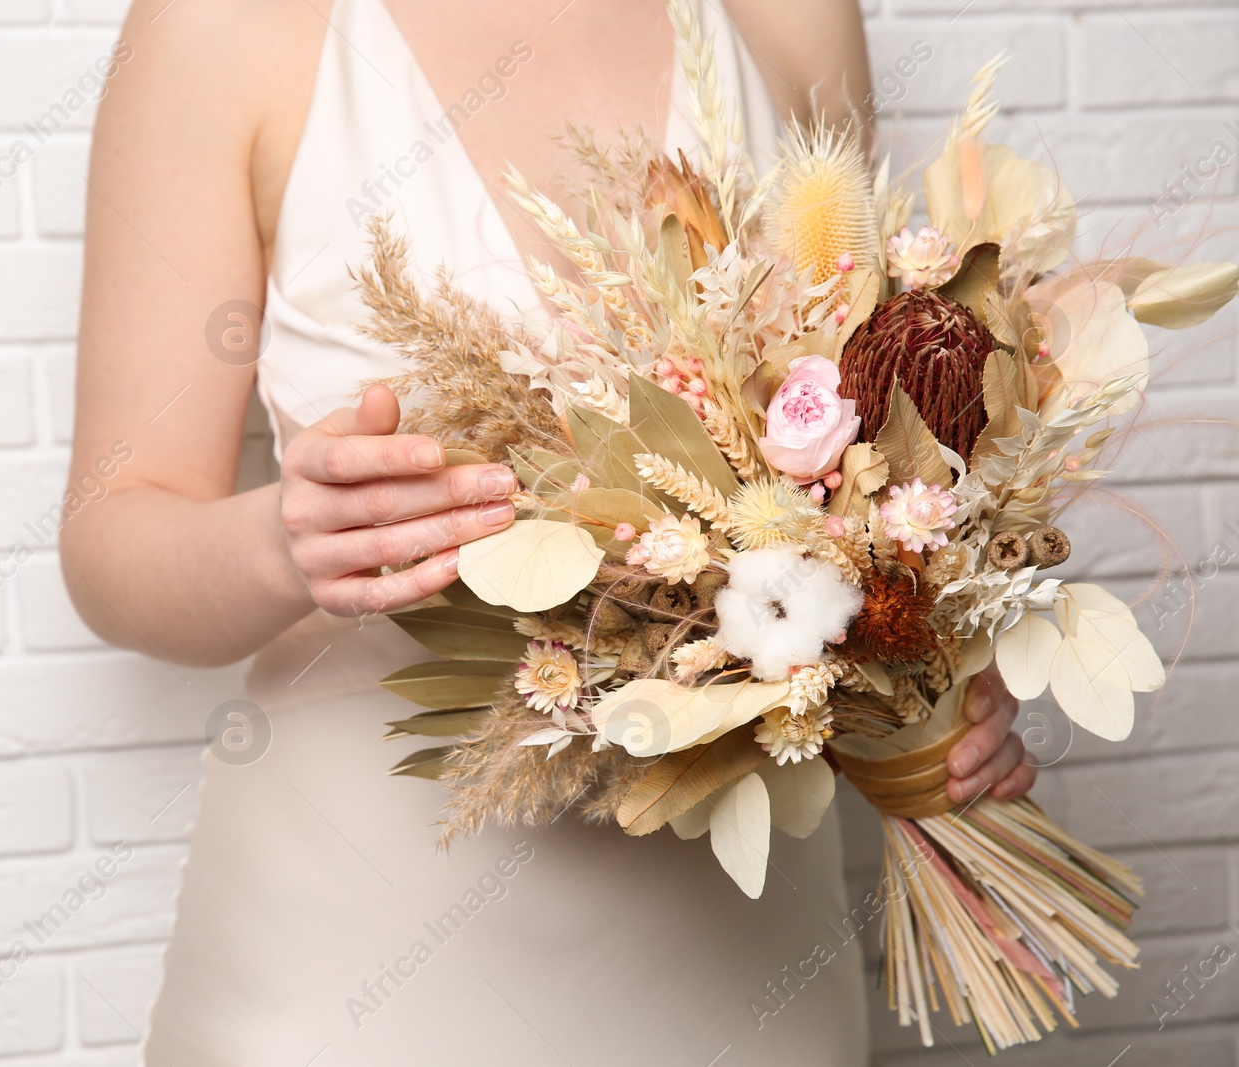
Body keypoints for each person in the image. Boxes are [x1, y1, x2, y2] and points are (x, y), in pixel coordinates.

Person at [61, 1, 1033, 1062]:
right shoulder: (223, 29)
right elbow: (113, 537)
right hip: (351, 945)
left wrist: (928, 675)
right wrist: (282, 543)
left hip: (742, 956)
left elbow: (864, 445)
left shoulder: (787, 16)